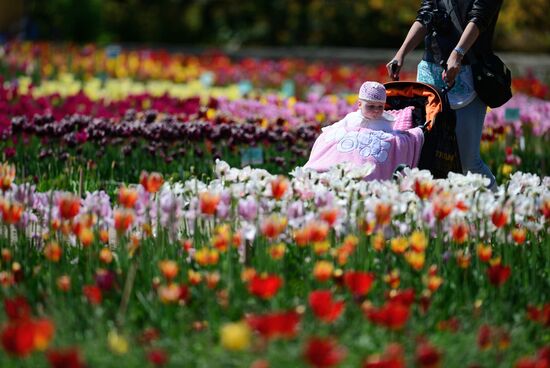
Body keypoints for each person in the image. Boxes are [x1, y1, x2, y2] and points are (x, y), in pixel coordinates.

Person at [387, 0, 502, 189]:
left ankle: (501, 209)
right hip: (430, 73)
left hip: (468, 73)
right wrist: (401, 53)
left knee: (468, 162)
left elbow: (479, 18)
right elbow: (425, 16)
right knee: (424, 153)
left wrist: (458, 53)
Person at [304, 81, 425, 180]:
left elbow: (388, 139)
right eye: (371, 106)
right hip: (348, 151)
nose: (376, 110)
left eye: (380, 107)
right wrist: (332, 131)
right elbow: (339, 128)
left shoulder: (386, 121)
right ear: (359, 104)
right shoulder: (352, 117)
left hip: (370, 154)